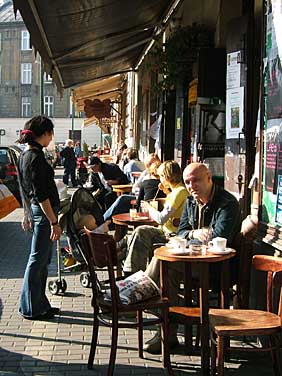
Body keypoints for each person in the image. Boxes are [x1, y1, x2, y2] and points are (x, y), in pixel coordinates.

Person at [143, 162, 242, 354]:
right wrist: (196, 233)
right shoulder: (190, 201)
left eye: (196, 180)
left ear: (209, 179)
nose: (191, 186)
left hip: (219, 268)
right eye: (187, 182)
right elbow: (181, 232)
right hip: (193, 263)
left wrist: (193, 236)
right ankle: (165, 332)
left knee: (166, 266)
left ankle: (143, 292)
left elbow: (220, 237)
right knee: (166, 266)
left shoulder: (226, 203)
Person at [16, 115, 62, 320]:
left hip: (37, 212)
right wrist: (54, 221)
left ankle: (39, 304)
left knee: (42, 260)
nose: (52, 138)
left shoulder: (26, 155)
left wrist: (27, 214)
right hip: (44, 214)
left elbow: (24, 190)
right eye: (50, 133)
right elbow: (40, 194)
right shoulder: (35, 157)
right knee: (37, 260)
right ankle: (31, 308)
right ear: (44, 134)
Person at [122, 160, 189, 275]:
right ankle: (126, 261)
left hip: (171, 234)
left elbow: (161, 218)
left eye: (161, 176)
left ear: (167, 176)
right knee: (134, 235)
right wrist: (166, 191)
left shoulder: (179, 192)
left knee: (140, 232)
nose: (159, 179)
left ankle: (131, 270)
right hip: (166, 231)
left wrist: (149, 207)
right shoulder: (177, 191)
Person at [103, 157, 165, 221]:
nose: (149, 165)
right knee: (120, 199)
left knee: (122, 199)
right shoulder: (146, 173)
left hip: (145, 201)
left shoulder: (162, 177)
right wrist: (139, 191)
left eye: (152, 163)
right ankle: (107, 220)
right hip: (139, 196)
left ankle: (105, 220)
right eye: (148, 163)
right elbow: (135, 187)